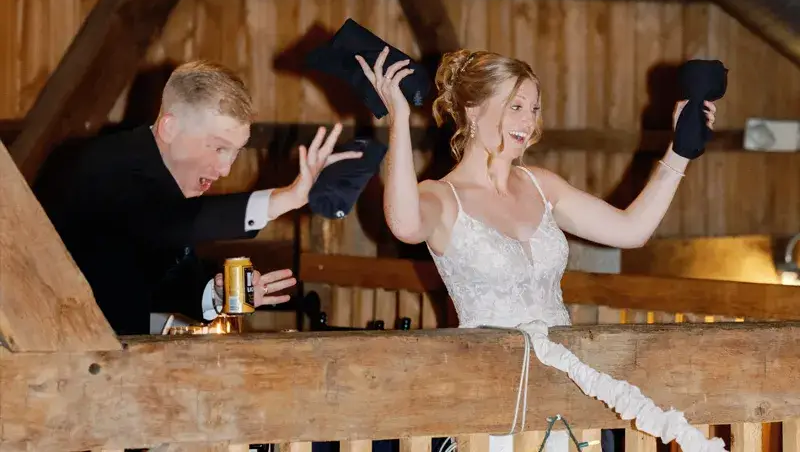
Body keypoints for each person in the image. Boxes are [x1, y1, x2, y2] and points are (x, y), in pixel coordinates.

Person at [355, 48, 721, 452]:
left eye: (534, 108)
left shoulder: (540, 184)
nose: (528, 122)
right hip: (492, 396)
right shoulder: (442, 198)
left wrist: (680, 150)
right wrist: (400, 120)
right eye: (515, 106)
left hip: (564, 388)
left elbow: (631, 230)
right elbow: (404, 224)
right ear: (473, 111)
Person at [35, 60, 361, 336]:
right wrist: (285, 198)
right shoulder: (103, 166)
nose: (224, 169)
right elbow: (168, 224)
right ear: (169, 128)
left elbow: (156, 278)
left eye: (234, 153)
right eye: (219, 148)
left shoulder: (164, 193)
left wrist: (217, 295)